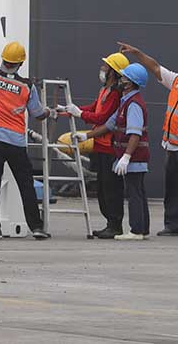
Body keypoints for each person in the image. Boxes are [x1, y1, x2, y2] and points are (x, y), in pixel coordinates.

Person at [0, 11, 52, 240]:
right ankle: (36, 227)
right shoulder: (27, 87)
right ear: (20, 62)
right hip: (16, 143)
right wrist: (50, 111)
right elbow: (38, 113)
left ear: (4, 58)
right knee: (26, 185)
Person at [118, 42, 178, 237]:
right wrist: (137, 53)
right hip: (172, 147)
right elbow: (155, 67)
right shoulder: (177, 82)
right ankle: (172, 224)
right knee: (172, 188)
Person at [75, 63, 151, 241]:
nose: (121, 80)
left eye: (124, 78)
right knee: (137, 192)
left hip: (134, 156)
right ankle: (142, 229)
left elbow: (135, 133)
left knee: (134, 193)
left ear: (131, 83)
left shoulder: (134, 104)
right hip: (132, 156)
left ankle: (137, 230)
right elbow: (109, 124)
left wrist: (126, 157)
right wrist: (87, 136)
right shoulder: (126, 102)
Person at [59, 52, 129, 238]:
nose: (102, 69)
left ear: (113, 72)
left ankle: (115, 225)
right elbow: (94, 108)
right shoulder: (105, 90)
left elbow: (102, 118)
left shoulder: (115, 94)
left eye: (105, 67)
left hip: (110, 148)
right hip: (100, 146)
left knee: (111, 188)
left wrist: (79, 114)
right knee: (102, 188)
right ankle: (109, 224)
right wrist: (71, 110)